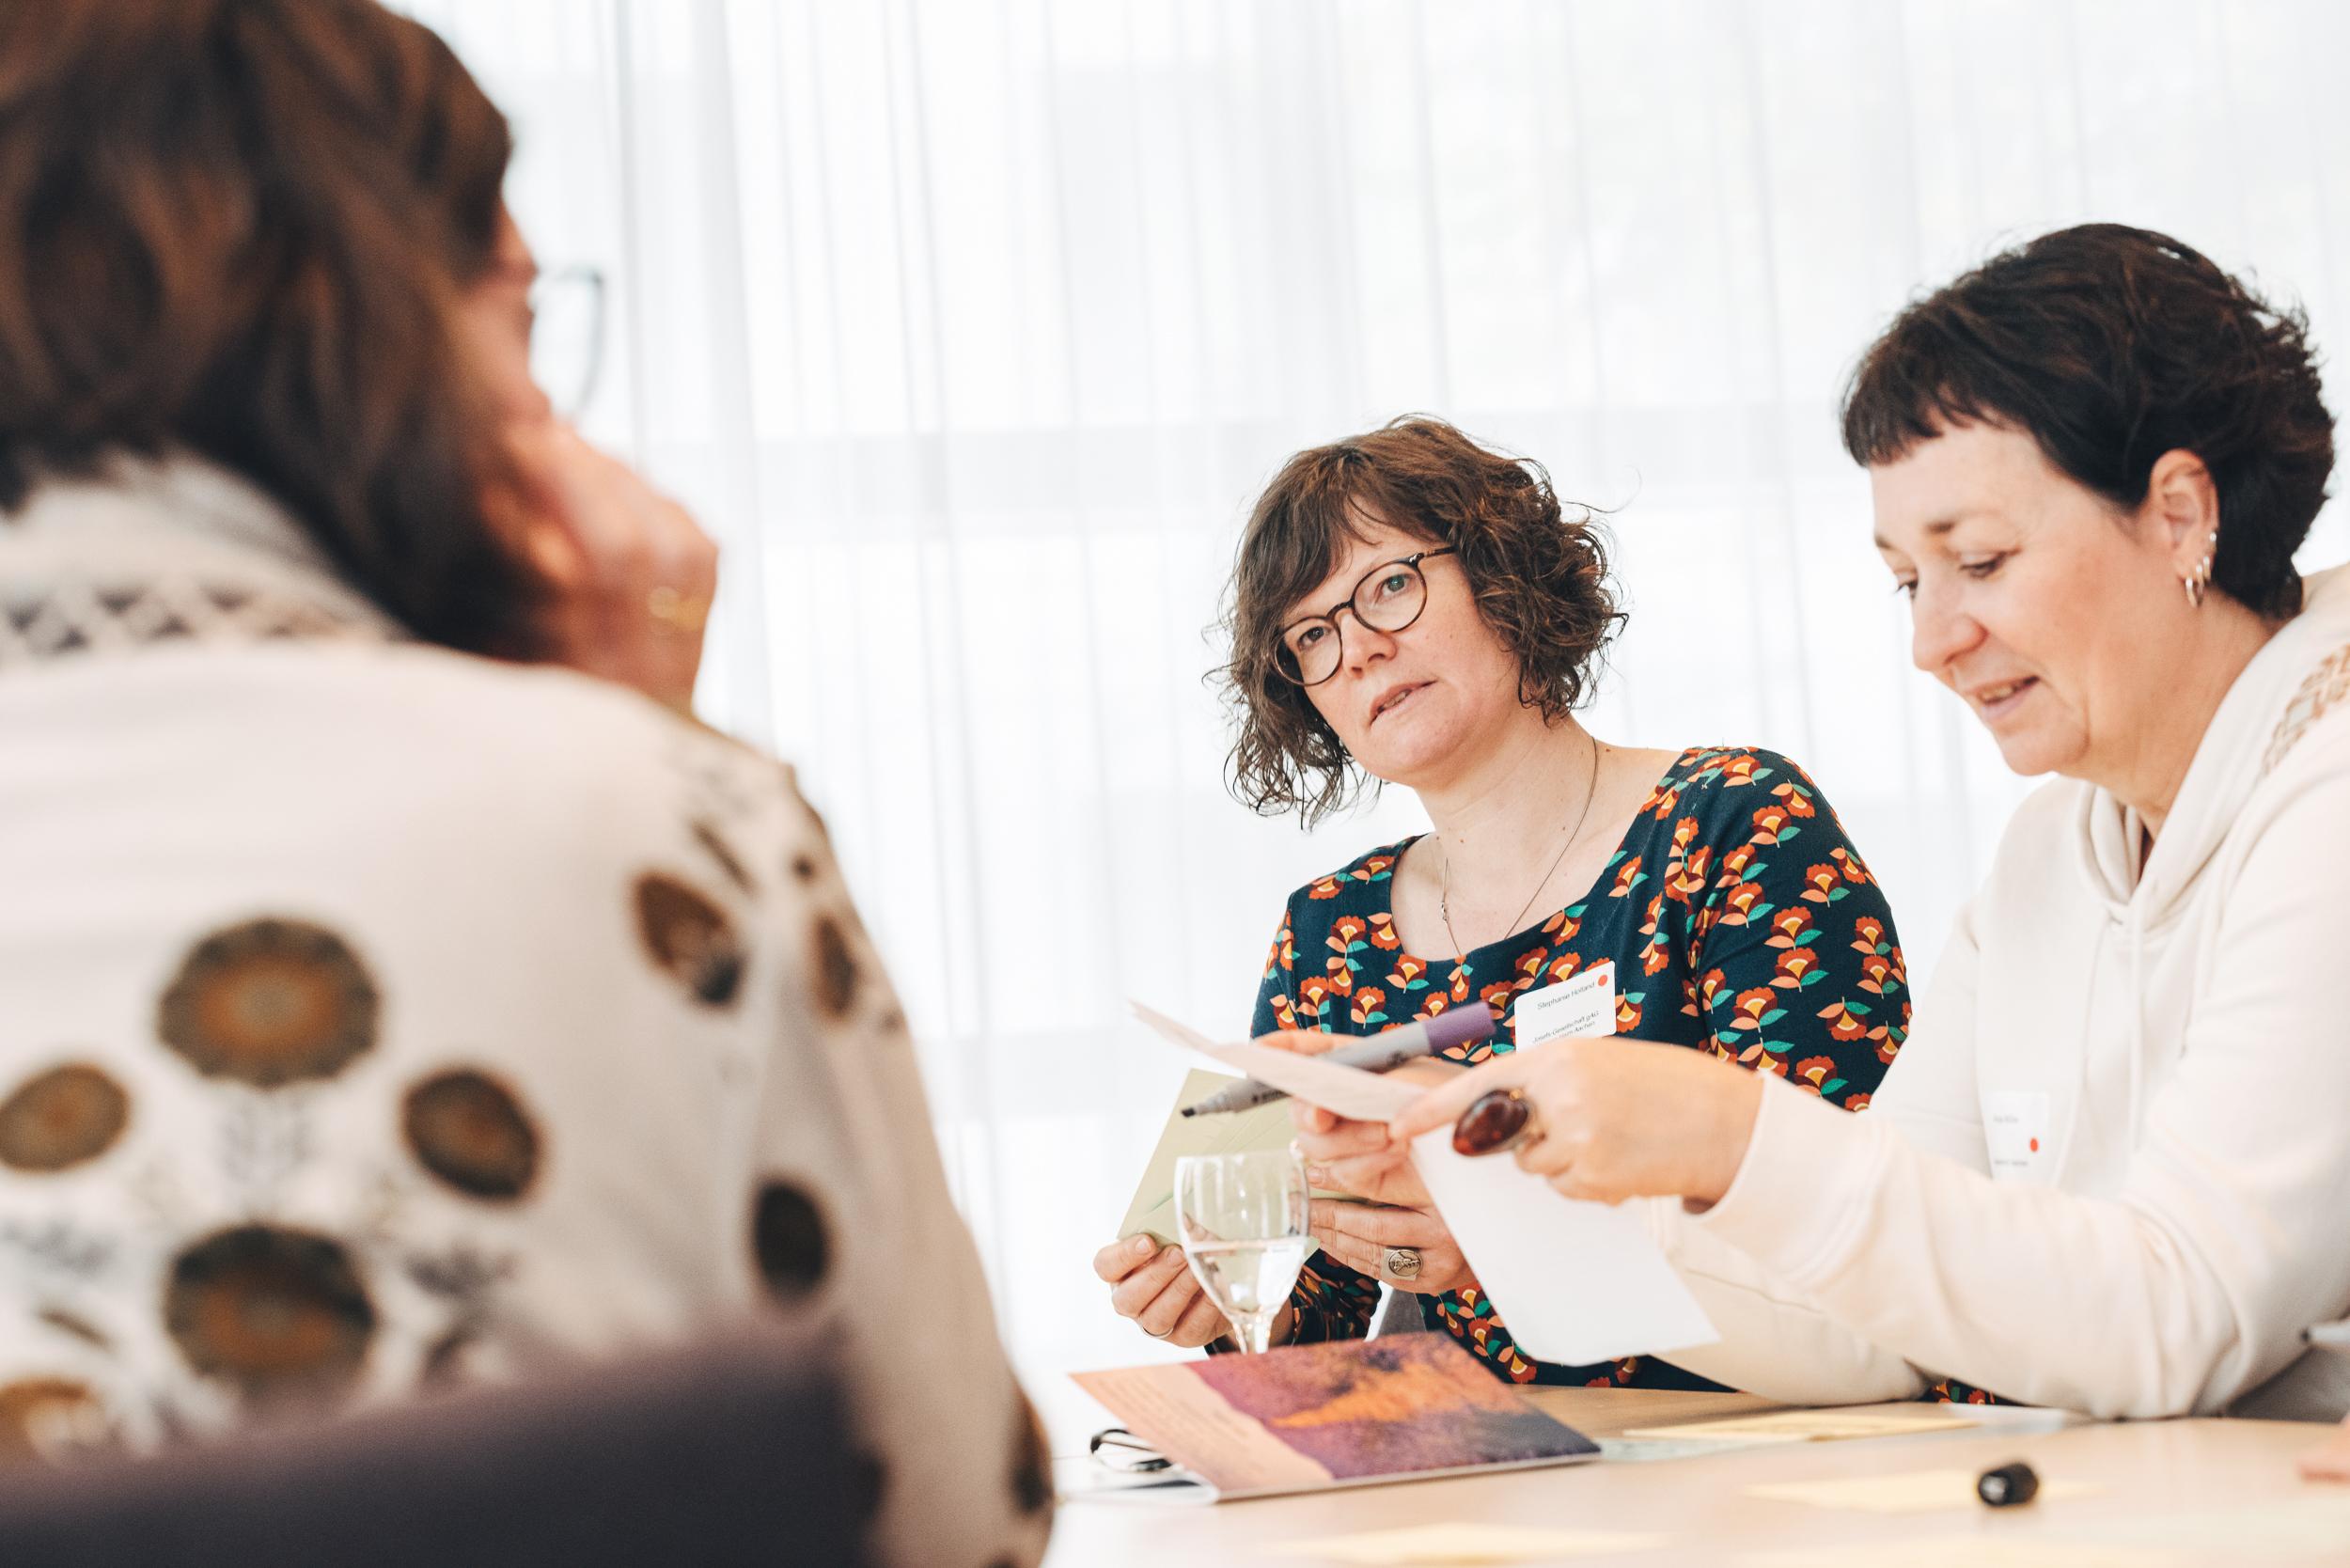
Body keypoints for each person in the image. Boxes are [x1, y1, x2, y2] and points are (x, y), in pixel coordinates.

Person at [0, 5, 1048, 1565]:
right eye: (521, 317)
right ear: (388, 324)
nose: (546, 409)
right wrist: (655, 760)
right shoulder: (657, 824)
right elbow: (961, 1516)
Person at [1383, 224, 2350, 1422]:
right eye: (1907, 581)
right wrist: (1505, 1200)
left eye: (1980, 560)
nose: (1931, 642)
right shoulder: (2047, 859)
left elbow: (2176, 1318)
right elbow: (1865, 1335)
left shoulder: (2329, 797)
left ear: (2179, 514)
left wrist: (1733, 1131)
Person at [1094, 416, 1912, 1387]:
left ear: (1502, 575)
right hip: (1475, 1463)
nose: (1356, 651)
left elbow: (1840, 1222)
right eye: (1311, 635)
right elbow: (1325, 1321)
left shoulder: (1733, 823)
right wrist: (1221, 1294)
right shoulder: (1328, 931)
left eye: (1388, 586)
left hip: (1753, 1443)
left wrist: (1503, 1228)